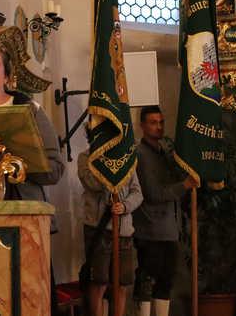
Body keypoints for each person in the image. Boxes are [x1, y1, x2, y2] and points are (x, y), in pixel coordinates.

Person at [0, 42, 65, 314]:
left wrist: (14, 160)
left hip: (22, 222)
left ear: (6, 76)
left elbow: (55, 169)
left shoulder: (30, 110)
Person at [132, 106, 197, 316]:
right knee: (147, 280)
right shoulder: (141, 154)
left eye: (161, 122)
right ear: (142, 126)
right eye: (153, 123)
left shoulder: (162, 154)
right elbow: (154, 193)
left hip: (169, 229)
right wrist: (184, 186)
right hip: (151, 229)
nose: (158, 127)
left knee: (165, 282)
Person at [78, 126, 143, 316]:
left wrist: (125, 205)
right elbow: (94, 184)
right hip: (98, 228)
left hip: (124, 230)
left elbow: (137, 192)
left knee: (122, 284)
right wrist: (106, 161)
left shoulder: (126, 158)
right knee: (99, 283)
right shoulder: (85, 157)